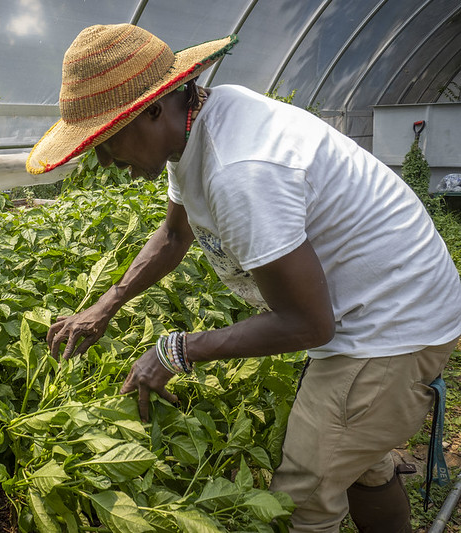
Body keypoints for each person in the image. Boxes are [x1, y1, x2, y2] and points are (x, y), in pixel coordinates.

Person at [25, 23, 461, 533]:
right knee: (361, 462)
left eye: (106, 139)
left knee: (300, 497)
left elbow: (306, 324)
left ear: (153, 109)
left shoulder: (242, 170)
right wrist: (106, 304)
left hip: (390, 328)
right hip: (383, 302)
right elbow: (174, 234)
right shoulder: (198, 123)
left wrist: (175, 350)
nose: (102, 159)